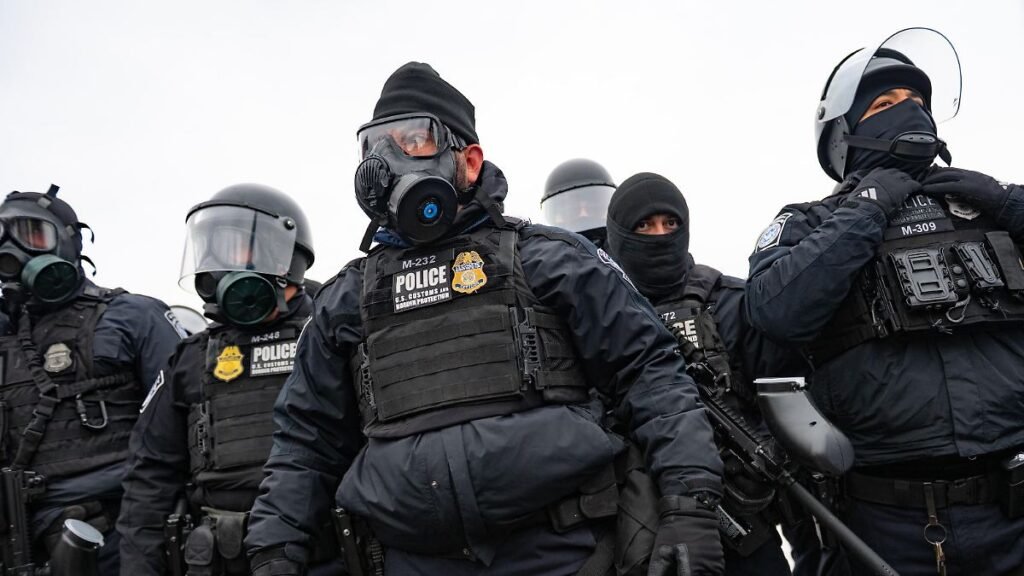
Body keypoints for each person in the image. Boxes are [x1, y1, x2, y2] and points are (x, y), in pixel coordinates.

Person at [244, 62, 725, 576]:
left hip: (562, 548)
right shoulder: (347, 298)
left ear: (469, 161)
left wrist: (689, 505)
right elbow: (306, 440)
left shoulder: (550, 258)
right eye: (375, 146)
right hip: (414, 560)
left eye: (412, 140)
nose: (387, 161)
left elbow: (649, 375)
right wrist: (275, 549)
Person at [746, 28, 1024, 575]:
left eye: (918, 101)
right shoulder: (807, 221)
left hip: (1012, 509)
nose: (911, 111)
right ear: (844, 133)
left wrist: (1008, 202)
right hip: (882, 522)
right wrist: (866, 206)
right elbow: (776, 310)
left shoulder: (987, 208)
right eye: (887, 103)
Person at [116, 184, 336, 576]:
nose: (216, 266)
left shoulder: (330, 329)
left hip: (321, 553)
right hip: (220, 558)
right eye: (209, 251)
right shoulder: (191, 357)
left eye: (231, 248)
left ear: (282, 253)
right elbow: (149, 478)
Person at [604, 172, 796, 576]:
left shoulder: (729, 301)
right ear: (620, 234)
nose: (659, 235)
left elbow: (786, 398)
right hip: (636, 524)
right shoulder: (597, 316)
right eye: (644, 226)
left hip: (746, 522)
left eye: (669, 224)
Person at [0, 185, 185, 574]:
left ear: (69, 241)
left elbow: (185, 426)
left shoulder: (133, 317)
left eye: (32, 234)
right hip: (24, 539)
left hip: (121, 533)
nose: (15, 252)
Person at [541, 158, 616, 247]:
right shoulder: (546, 257)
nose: (583, 215)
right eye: (572, 210)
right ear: (555, 217)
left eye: (594, 209)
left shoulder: (625, 252)